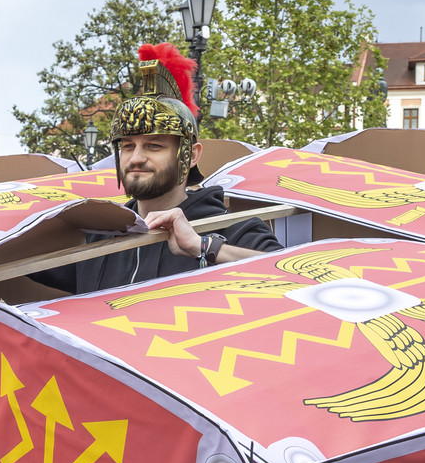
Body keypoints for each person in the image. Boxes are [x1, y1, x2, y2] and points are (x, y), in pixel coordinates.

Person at [38, 43, 281, 296]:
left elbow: (293, 277)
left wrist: (203, 246)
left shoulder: (233, 227)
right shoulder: (99, 236)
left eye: (154, 146)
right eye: (128, 146)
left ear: (191, 155)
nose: (136, 158)